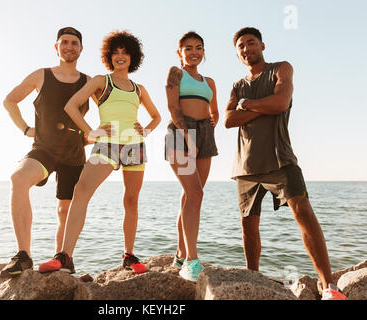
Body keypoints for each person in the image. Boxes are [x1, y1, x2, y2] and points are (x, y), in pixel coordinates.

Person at [224, 27, 346, 300]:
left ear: (262, 45)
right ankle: (252, 277)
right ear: (237, 53)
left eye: (251, 43)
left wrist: (246, 105)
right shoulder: (237, 85)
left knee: (303, 212)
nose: (247, 49)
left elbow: (281, 102)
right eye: (241, 46)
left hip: (281, 158)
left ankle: (329, 287)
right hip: (245, 165)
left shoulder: (281, 68)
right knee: (248, 225)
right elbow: (228, 120)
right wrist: (255, 106)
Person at [38, 30, 161, 275]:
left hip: (134, 145)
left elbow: (157, 116)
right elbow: (70, 106)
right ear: (109, 56)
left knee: (131, 200)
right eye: (115, 52)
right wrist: (91, 132)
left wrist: (145, 130)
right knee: (81, 191)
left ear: (132, 56)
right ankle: (65, 256)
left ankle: (129, 255)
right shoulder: (100, 81)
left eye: (125, 52)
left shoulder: (139, 89)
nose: (120, 56)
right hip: (107, 144)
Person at [0, 27, 91, 279]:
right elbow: (9, 100)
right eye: (64, 42)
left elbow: (110, 110)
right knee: (18, 179)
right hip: (44, 150)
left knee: (65, 210)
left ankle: (63, 259)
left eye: (74, 43)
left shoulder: (89, 81)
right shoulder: (41, 75)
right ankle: (23, 256)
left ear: (81, 49)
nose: (69, 46)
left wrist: (94, 135)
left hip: (74, 152)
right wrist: (25, 128)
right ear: (56, 47)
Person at [164, 31, 219, 281]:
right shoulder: (176, 72)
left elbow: (214, 111)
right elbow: (173, 107)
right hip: (180, 134)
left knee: (191, 196)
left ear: (204, 52)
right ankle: (191, 261)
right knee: (195, 193)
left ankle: (180, 253)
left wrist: (210, 124)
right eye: (188, 48)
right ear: (180, 52)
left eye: (198, 47)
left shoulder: (209, 82)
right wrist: (188, 137)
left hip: (204, 134)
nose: (193, 52)